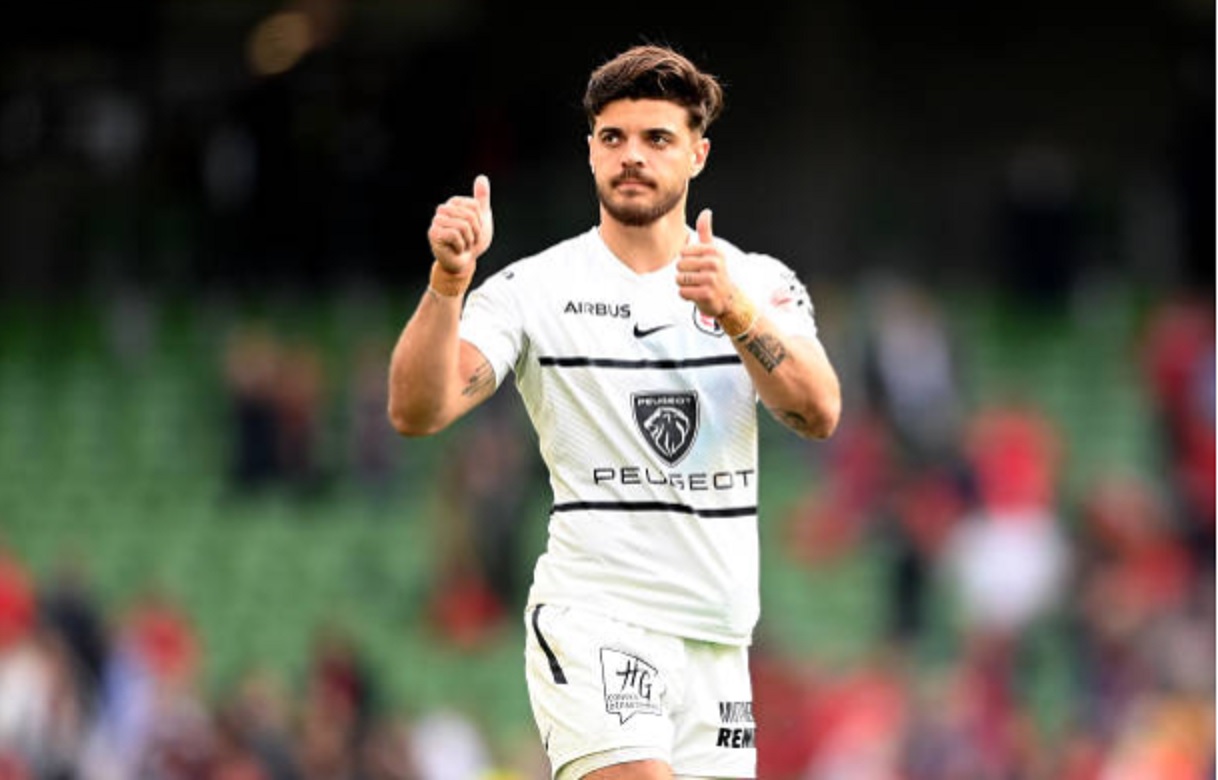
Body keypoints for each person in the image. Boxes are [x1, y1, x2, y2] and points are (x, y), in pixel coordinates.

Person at [387, 43, 841, 780]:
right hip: (598, 616)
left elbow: (819, 411)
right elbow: (418, 410)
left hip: (718, 639)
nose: (632, 155)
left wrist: (733, 311)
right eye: (613, 137)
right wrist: (447, 281)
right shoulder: (534, 288)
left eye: (657, 138)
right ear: (591, 150)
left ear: (697, 154)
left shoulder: (755, 281)